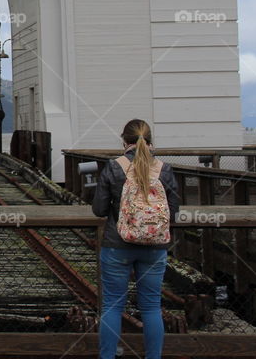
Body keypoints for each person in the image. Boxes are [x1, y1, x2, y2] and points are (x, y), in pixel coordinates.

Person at [92, 119, 180, 359]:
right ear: (150, 141)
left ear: (124, 141)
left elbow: (99, 209)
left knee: (112, 306)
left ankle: (107, 356)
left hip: (117, 245)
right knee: (151, 308)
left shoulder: (113, 167)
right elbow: (174, 211)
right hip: (154, 247)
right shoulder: (164, 169)